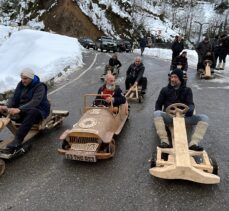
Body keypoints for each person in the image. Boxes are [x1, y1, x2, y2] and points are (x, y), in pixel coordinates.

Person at [153, 69, 209, 151]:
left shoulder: (187, 90)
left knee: (204, 118)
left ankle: (194, 143)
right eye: (171, 77)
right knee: (156, 113)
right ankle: (164, 141)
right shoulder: (165, 90)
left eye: (175, 77)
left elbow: (191, 104)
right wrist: (159, 119)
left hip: (184, 117)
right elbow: (158, 103)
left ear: (180, 79)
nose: (172, 79)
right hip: (170, 116)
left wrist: (190, 110)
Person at [0, 68, 50, 152]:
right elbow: (14, 98)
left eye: (25, 78)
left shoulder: (40, 86)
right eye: (22, 78)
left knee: (32, 111)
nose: (23, 81)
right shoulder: (21, 85)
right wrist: (6, 106)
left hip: (39, 111)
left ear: (31, 78)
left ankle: (17, 141)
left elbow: (35, 102)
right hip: (22, 111)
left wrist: (19, 109)